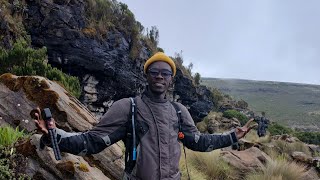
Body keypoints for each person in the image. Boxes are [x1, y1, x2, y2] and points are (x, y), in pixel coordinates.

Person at [32, 52, 255, 180]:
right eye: (154, 72)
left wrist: (232, 136)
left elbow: (199, 142)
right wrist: (55, 135)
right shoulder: (127, 107)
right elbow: (92, 142)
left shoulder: (179, 111)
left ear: (171, 80)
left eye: (165, 73)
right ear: (146, 75)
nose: (159, 76)